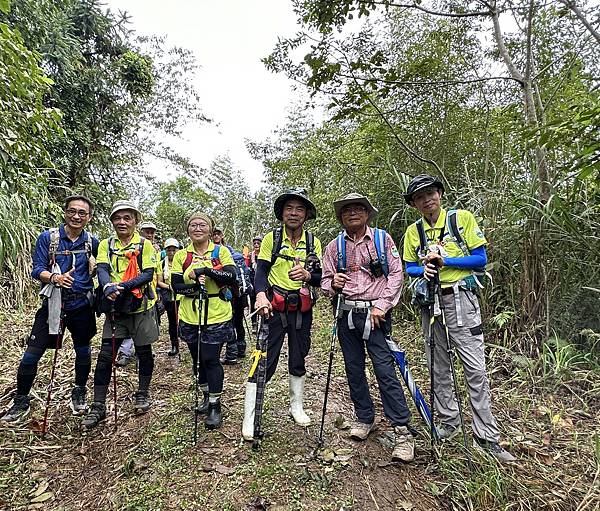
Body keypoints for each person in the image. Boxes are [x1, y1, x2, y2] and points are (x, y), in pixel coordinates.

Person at [402, 174, 515, 463]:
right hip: (430, 302)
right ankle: (448, 423)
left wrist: (446, 261)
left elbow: (480, 259)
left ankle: (486, 436)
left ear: (440, 193)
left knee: (474, 367)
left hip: (460, 299)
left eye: (431, 193)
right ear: (414, 204)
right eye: (420, 197)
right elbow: (408, 267)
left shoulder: (460, 219)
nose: (427, 200)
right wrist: (423, 270)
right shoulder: (414, 231)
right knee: (438, 365)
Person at [321, 192, 415, 462]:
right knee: (353, 367)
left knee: (385, 369)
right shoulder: (334, 247)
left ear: (367, 213)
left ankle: (402, 430)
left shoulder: (381, 239)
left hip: (376, 314)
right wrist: (333, 284)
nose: (353, 213)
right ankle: (364, 417)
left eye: (358, 209)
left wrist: (382, 306)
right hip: (346, 314)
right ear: (341, 216)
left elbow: (396, 273)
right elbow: (325, 282)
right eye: (347, 210)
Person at [1, 196, 98, 422]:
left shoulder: (92, 241)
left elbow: (102, 266)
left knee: (83, 351)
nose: (76, 216)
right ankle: (21, 400)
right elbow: (37, 270)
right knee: (31, 354)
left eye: (82, 213)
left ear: (89, 217)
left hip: (82, 304)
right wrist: (55, 277)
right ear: (65, 212)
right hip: (52, 302)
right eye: (72, 211)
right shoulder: (49, 238)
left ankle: (80, 391)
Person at [242, 188, 322, 440]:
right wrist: (260, 294)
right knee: (264, 359)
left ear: (306, 214)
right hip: (272, 309)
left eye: (300, 209)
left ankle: (296, 406)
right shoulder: (271, 239)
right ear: (282, 213)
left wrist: (308, 276)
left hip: (301, 309)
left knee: (299, 357)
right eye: (290, 208)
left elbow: (319, 277)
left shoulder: (313, 242)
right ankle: (250, 416)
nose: (294, 213)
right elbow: (261, 272)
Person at [82, 200, 159, 429]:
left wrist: (122, 287)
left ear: (135, 220)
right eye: (117, 218)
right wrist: (107, 287)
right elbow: (103, 269)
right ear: (112, 221)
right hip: (115, 307)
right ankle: (98, 405)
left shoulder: (145, 245)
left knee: (144, 351)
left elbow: (147, 274)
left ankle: (142, 393)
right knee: (106, 355)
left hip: (141, 307)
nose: (122, 222)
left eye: (127, 218)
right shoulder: (106, 244)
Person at [171, 213, 237, 429]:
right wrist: (193, 285)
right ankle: (206, 396)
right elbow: (176, 285)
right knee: (197, 358)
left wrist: (207, 271)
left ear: (210, 230)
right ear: (188, 229)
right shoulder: (182, 255)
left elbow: (231, 276)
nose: (197, 228)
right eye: (193, 225)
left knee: (211, 359)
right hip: (190, 314)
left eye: (202, 225)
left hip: (217, 313)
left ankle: (215, 405)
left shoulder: (221, 251)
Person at [115, 221, 161, 366]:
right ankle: (125, 352)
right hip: (129, 292)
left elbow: (156, 272)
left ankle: (143, 351)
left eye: (152, 232)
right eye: (147, 231)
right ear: (140, 231)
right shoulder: (133, 247)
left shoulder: (156, 250)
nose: (150, 234)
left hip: (149, 294)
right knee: (127, 322)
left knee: (146, 327)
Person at [212, 228, 252, 364]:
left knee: (230, 323)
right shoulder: (234, 253)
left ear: (222, 235)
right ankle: (241, 350)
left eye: (218, 233)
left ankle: (231, 355)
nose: (216, 236)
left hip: (230, 294)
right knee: (238, 322)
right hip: (239, 293)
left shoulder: (219, 253)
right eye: (214, 234)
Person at [157, 238, 182, 357]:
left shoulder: (183, 261)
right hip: (169, 296)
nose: (171, 253)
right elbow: (159, 281)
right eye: (169, 250)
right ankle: (174, 344)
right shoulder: (162, 263)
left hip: (183, 295)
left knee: (184, 320)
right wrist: (169, 286)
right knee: (172, 322)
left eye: (174, 250)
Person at [249, 236, 263, 332]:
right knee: (253, 302)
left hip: (262, 282)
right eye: (255, 243)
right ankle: (254, 324)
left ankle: (264, 324)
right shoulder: (250, 256)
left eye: (258, 243)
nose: (256, 245)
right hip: (252, 282)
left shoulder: (264, 255)